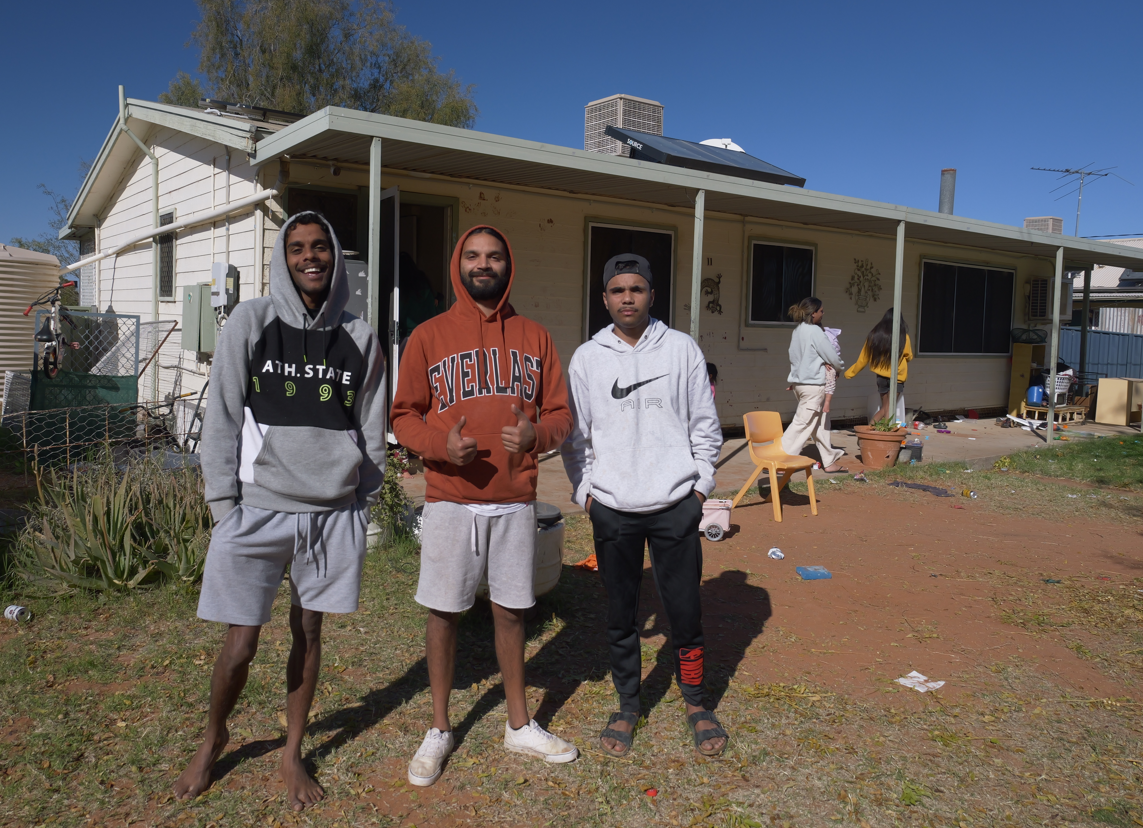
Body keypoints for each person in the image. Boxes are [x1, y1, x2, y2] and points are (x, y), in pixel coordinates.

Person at [175, 212, 387, 810]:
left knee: (309, 632)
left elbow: (371, 428)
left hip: (330, 516)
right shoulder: (252, 321)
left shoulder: (360, 337)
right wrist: (222, 503)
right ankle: (214, 736)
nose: (310, 257)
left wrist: (359, 499)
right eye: (297, 248)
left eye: (321, 247)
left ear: (336, 257)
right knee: (240, 643)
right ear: (283, 257)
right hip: (257, 511)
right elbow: (220, 414)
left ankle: (293, 751)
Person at [391, 225, 577, 787]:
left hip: (514, 500)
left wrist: (538, 437)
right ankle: (440, 728)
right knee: (444, 612)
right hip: (451, 499)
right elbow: (403, 417)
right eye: (472, 255)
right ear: (458, 264)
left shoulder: (535, 336)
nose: (483, 264)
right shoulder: (427, 336)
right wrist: (438, 446)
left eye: (494, 255)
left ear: (508, 264)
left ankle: (518, 724)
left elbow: (562, 416)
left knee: (512, 612)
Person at [561, 253, 727, 759]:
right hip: (612, 507)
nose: (627, 297)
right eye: (617, 290)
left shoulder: (680, 350)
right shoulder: (587, 358)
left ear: (652, 294)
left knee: (685, 609)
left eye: (636, 288)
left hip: (676, 502)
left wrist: (698, 489)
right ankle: (628, 703)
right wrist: (586, 494)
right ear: (605, 298)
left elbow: (706, 427)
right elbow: (575, 438)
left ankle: (697, 702)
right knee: (620, 612)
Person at [781, 297, 847, 473]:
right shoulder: (815, 332)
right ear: (814, 313)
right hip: (813, 386)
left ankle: (829, 462)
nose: (823, 314)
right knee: (802, 423)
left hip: (800, 384)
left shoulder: (797, 331)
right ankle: (780, 459)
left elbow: (793, 357)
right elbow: (831, 355)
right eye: (821, 311)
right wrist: (839, 367)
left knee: (820, 423)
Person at [845, 307, 913, 424]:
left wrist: (850, 373)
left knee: (885, 407)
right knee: (888, 409)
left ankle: (870, 430)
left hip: (881, 377)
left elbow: (863, 358)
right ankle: (882, 433)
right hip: (897, 377)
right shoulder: (903, 337)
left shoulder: (874, 335)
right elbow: (909, 356)